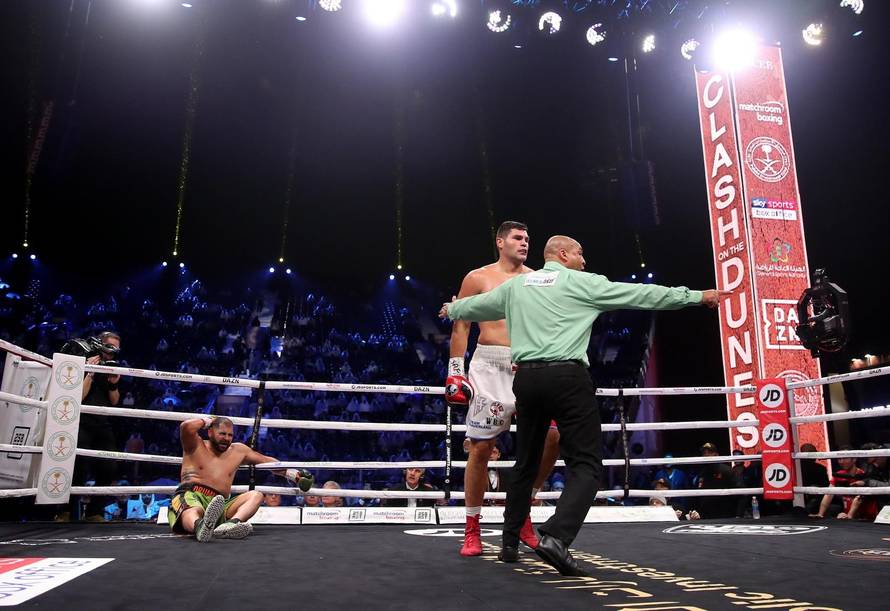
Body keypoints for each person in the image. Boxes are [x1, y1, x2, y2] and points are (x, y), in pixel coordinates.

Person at [441, 235, 724, 576]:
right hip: (566, 378)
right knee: (588, 465)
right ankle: (556, 537)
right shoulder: (581, 283)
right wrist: (696, 296)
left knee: (526, 462)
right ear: (563, 254)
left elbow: (475, 308)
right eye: (579, 253)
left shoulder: (519, 285)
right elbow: (643, 295)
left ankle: (510, 543)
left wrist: (452, 309)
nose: (584, 260)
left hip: (526, 379)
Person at [445, 220, 561, 557]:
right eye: (517, 237)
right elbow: (461, 323)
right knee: (481, 448)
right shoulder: (477, 277)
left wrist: (535, 354)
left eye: (528, 238)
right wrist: (455, 372)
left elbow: (544, 324)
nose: (525, 243)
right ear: (500, 241)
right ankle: (472, 529)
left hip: (527, 364)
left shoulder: (538, 277)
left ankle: (521, 509)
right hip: (488, 366)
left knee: (552, 437)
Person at [168, 416, 313, 542]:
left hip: (220, 503)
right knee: (194, 509)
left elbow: (266, 461)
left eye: (230, 435)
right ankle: (200, 527)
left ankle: (229, 525)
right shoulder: (195, 445)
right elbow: (186, 426)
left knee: (256, 495)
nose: (226, 438)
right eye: (222, 433)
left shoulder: (238, 451)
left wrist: (293, 475)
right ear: (210, 431)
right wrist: (209, 420)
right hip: (191, 494)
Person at [59, 331, 123, 522]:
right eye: (111, 347)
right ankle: (66, 511)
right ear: (101, 345)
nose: (113, 352)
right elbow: (78, 397)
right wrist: (90, 373)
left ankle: (94, 512)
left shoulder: (112, 367)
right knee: (77, 467)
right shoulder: (83, 362)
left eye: (117, 349)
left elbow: (114, 401)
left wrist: (113, 385)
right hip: (82, 421)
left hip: (102, 422)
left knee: (110, 467)